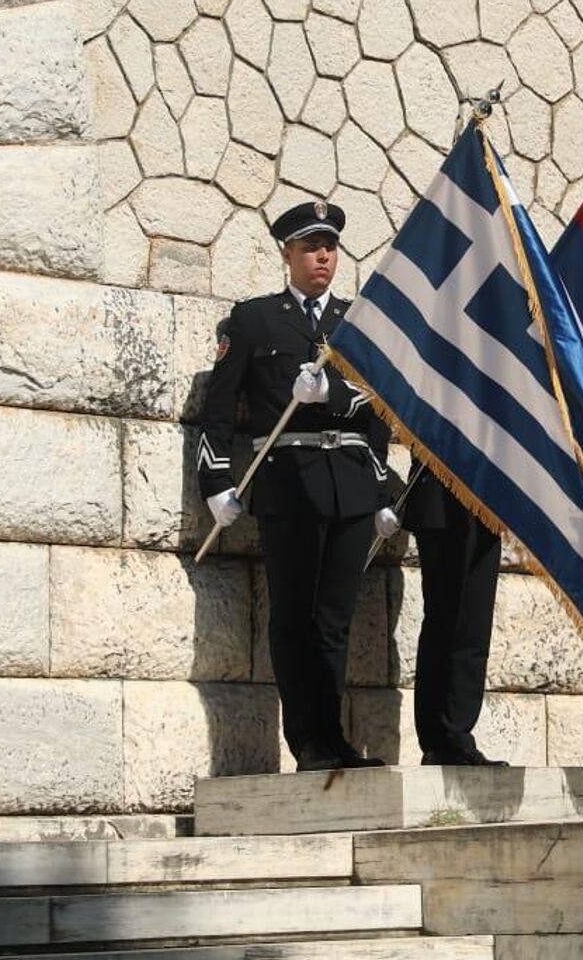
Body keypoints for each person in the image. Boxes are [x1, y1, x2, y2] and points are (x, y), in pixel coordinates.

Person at [195, 200, 398, 772]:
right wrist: (216, 480)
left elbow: (379, 410)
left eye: (329, 247)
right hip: (288, 482)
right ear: (287, 254)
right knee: (293, 618)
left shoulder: (356, 323)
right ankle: (307, 741)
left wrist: (381, 492)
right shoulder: (255, 320)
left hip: (351, 487)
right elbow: (219, 410)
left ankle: (332, 738)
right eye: (311, 247)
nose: (323, 257)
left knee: (335, 619)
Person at [403, 469, 506, 766]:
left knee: (474, 626)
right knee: (444, 619)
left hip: (485, 499)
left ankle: (459, 731)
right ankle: (438, 738)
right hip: (440, 492)